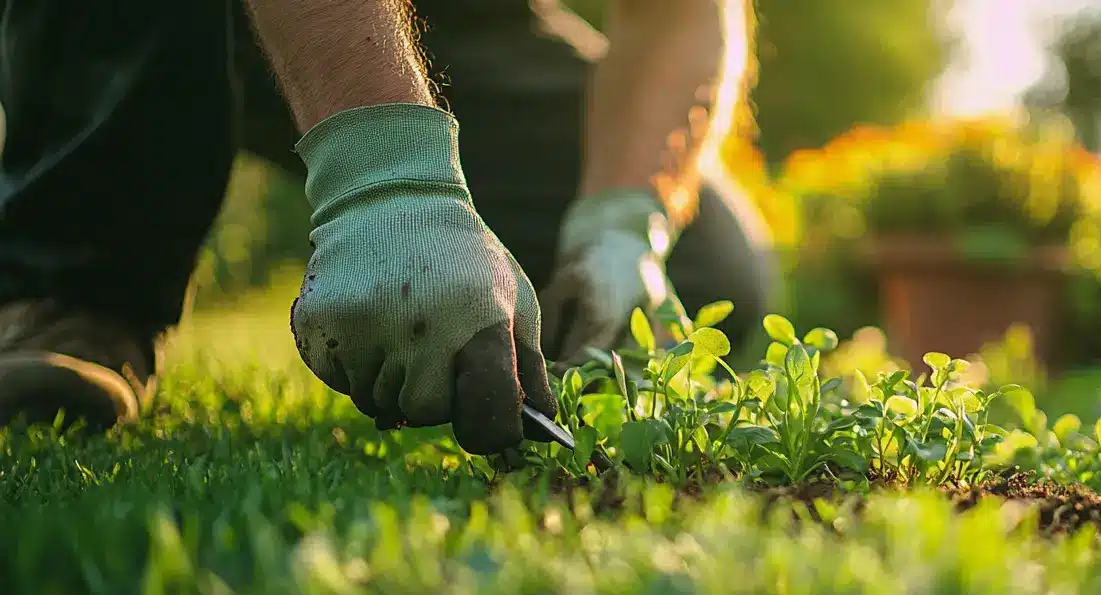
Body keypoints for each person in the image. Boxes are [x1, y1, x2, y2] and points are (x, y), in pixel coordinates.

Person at [0, 0, 776, 455]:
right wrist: (381, 176)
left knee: (709, 268)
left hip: (449, 24)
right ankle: (76, 289)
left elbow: (684, 15)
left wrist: (622, 225)